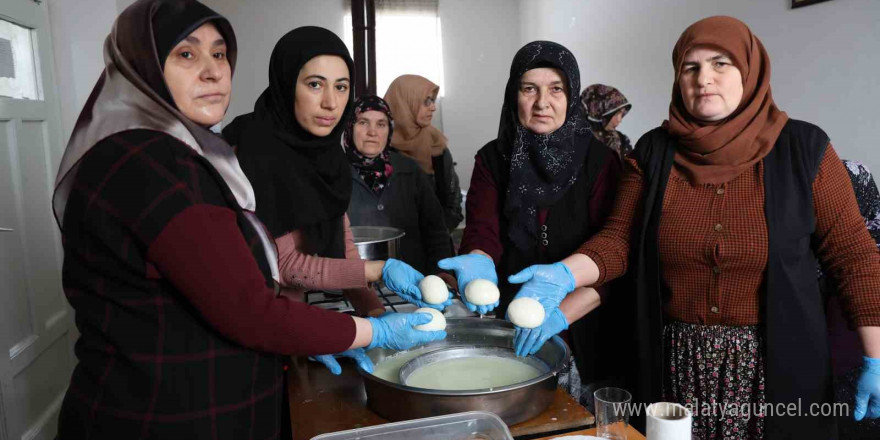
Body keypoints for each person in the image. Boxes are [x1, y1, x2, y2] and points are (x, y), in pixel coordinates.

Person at [52, 2, 444, 438]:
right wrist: (369, 329)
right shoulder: (149, 163)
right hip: (164, 415)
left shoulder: (196, 155)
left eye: (219, 54)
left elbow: (308, 253)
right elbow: (253, 303)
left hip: (235, 387)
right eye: (187, 54)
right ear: (141, 62)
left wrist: (361, 326)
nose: (213, 72)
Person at [506, 16, 880, 439]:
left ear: (750, 71)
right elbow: (619, 240)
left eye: (721, 64)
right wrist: (564, 273)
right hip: (677, 368)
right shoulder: (652, 151)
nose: (704, 78)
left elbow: (854, 256)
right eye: (690, 67)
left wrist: (877, 357)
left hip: (779, 367)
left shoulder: (804, 149)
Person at [223, 27, 452, 322]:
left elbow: (342, 244)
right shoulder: (252, 149)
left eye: (341, 87)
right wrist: (380, 270)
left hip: (288, 316)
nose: (331, 102)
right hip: (249, 321)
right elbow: (285, 264)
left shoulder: (324, 155)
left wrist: (374, 309)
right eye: (315, 85)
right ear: (286, 83)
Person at [439, 41, 622, 405]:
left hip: (588, 323)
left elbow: (612, 255)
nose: (543, 103)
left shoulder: (600, 162)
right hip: (513, 321)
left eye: (556, 89)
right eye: (529, 89)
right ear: (513, 95)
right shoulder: (493, 159)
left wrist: (556, 315)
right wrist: (478, 261)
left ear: (571, 95)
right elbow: (482, 232)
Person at [344, 95, 455, 279]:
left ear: (390, 130)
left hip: (413, 281)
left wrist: (440, 276)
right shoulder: (333, 174)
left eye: (381, 124)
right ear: (349, 127)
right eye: (363, 122)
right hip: (353, 284)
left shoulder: (409, 170)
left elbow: (435, 231)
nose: (372, 132)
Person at [383, 74, 463, 232]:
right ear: (404, 103)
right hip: (391, 243)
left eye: (433, 101)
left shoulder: (436, 144)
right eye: (427, 101)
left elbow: (453, 204)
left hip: (433, 244)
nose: (433, 107)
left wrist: (436, 237)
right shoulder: (379, 147)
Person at [580, 84, 633, 161]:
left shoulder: (622, 142)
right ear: (599, 109)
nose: (619, 120)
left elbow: (629, 171)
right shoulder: (572, 139)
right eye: (617, 113)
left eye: (622, 114)